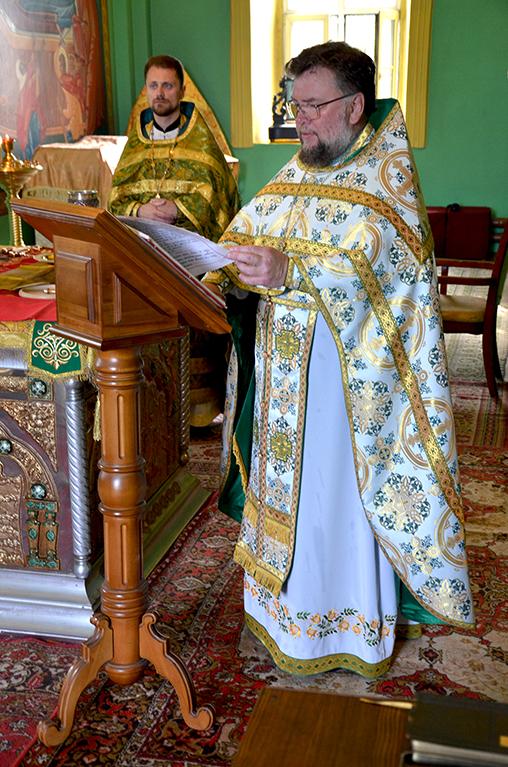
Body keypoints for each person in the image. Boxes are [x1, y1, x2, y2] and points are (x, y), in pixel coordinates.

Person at [204, 41, 474, 678]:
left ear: (355, 107)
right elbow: (245, 235)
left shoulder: (385, 182)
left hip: (347, 393)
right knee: (291, 497)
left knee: (333, 501)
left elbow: (383, 272)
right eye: (294, 106)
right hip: (283, 385)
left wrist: (289, 270)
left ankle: (344, 624)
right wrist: (223, 266)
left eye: (313, 106)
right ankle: (280, 615)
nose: (300, 119)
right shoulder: (296, 173)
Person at [108, 54, 239, 242]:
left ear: (182, 91)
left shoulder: (200, 141)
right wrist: (140, 210)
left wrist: (178, 209)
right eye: (153, 86)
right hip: (142, 245)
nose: (159, 93)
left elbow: (217, 198)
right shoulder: (136, 142)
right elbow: (115, 198)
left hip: (190, 245)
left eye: (167, 86)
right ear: (146, 90)